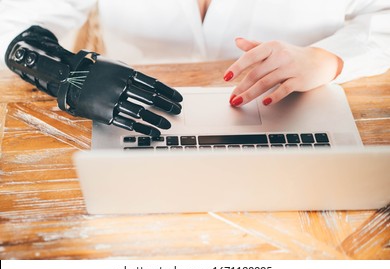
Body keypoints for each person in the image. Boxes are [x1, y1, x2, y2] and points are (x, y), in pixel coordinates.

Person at [1, 0, 389, 134]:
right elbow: (13, 19)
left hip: (294, 115)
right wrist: (62, 70)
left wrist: (332, 58)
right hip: (129, 118)